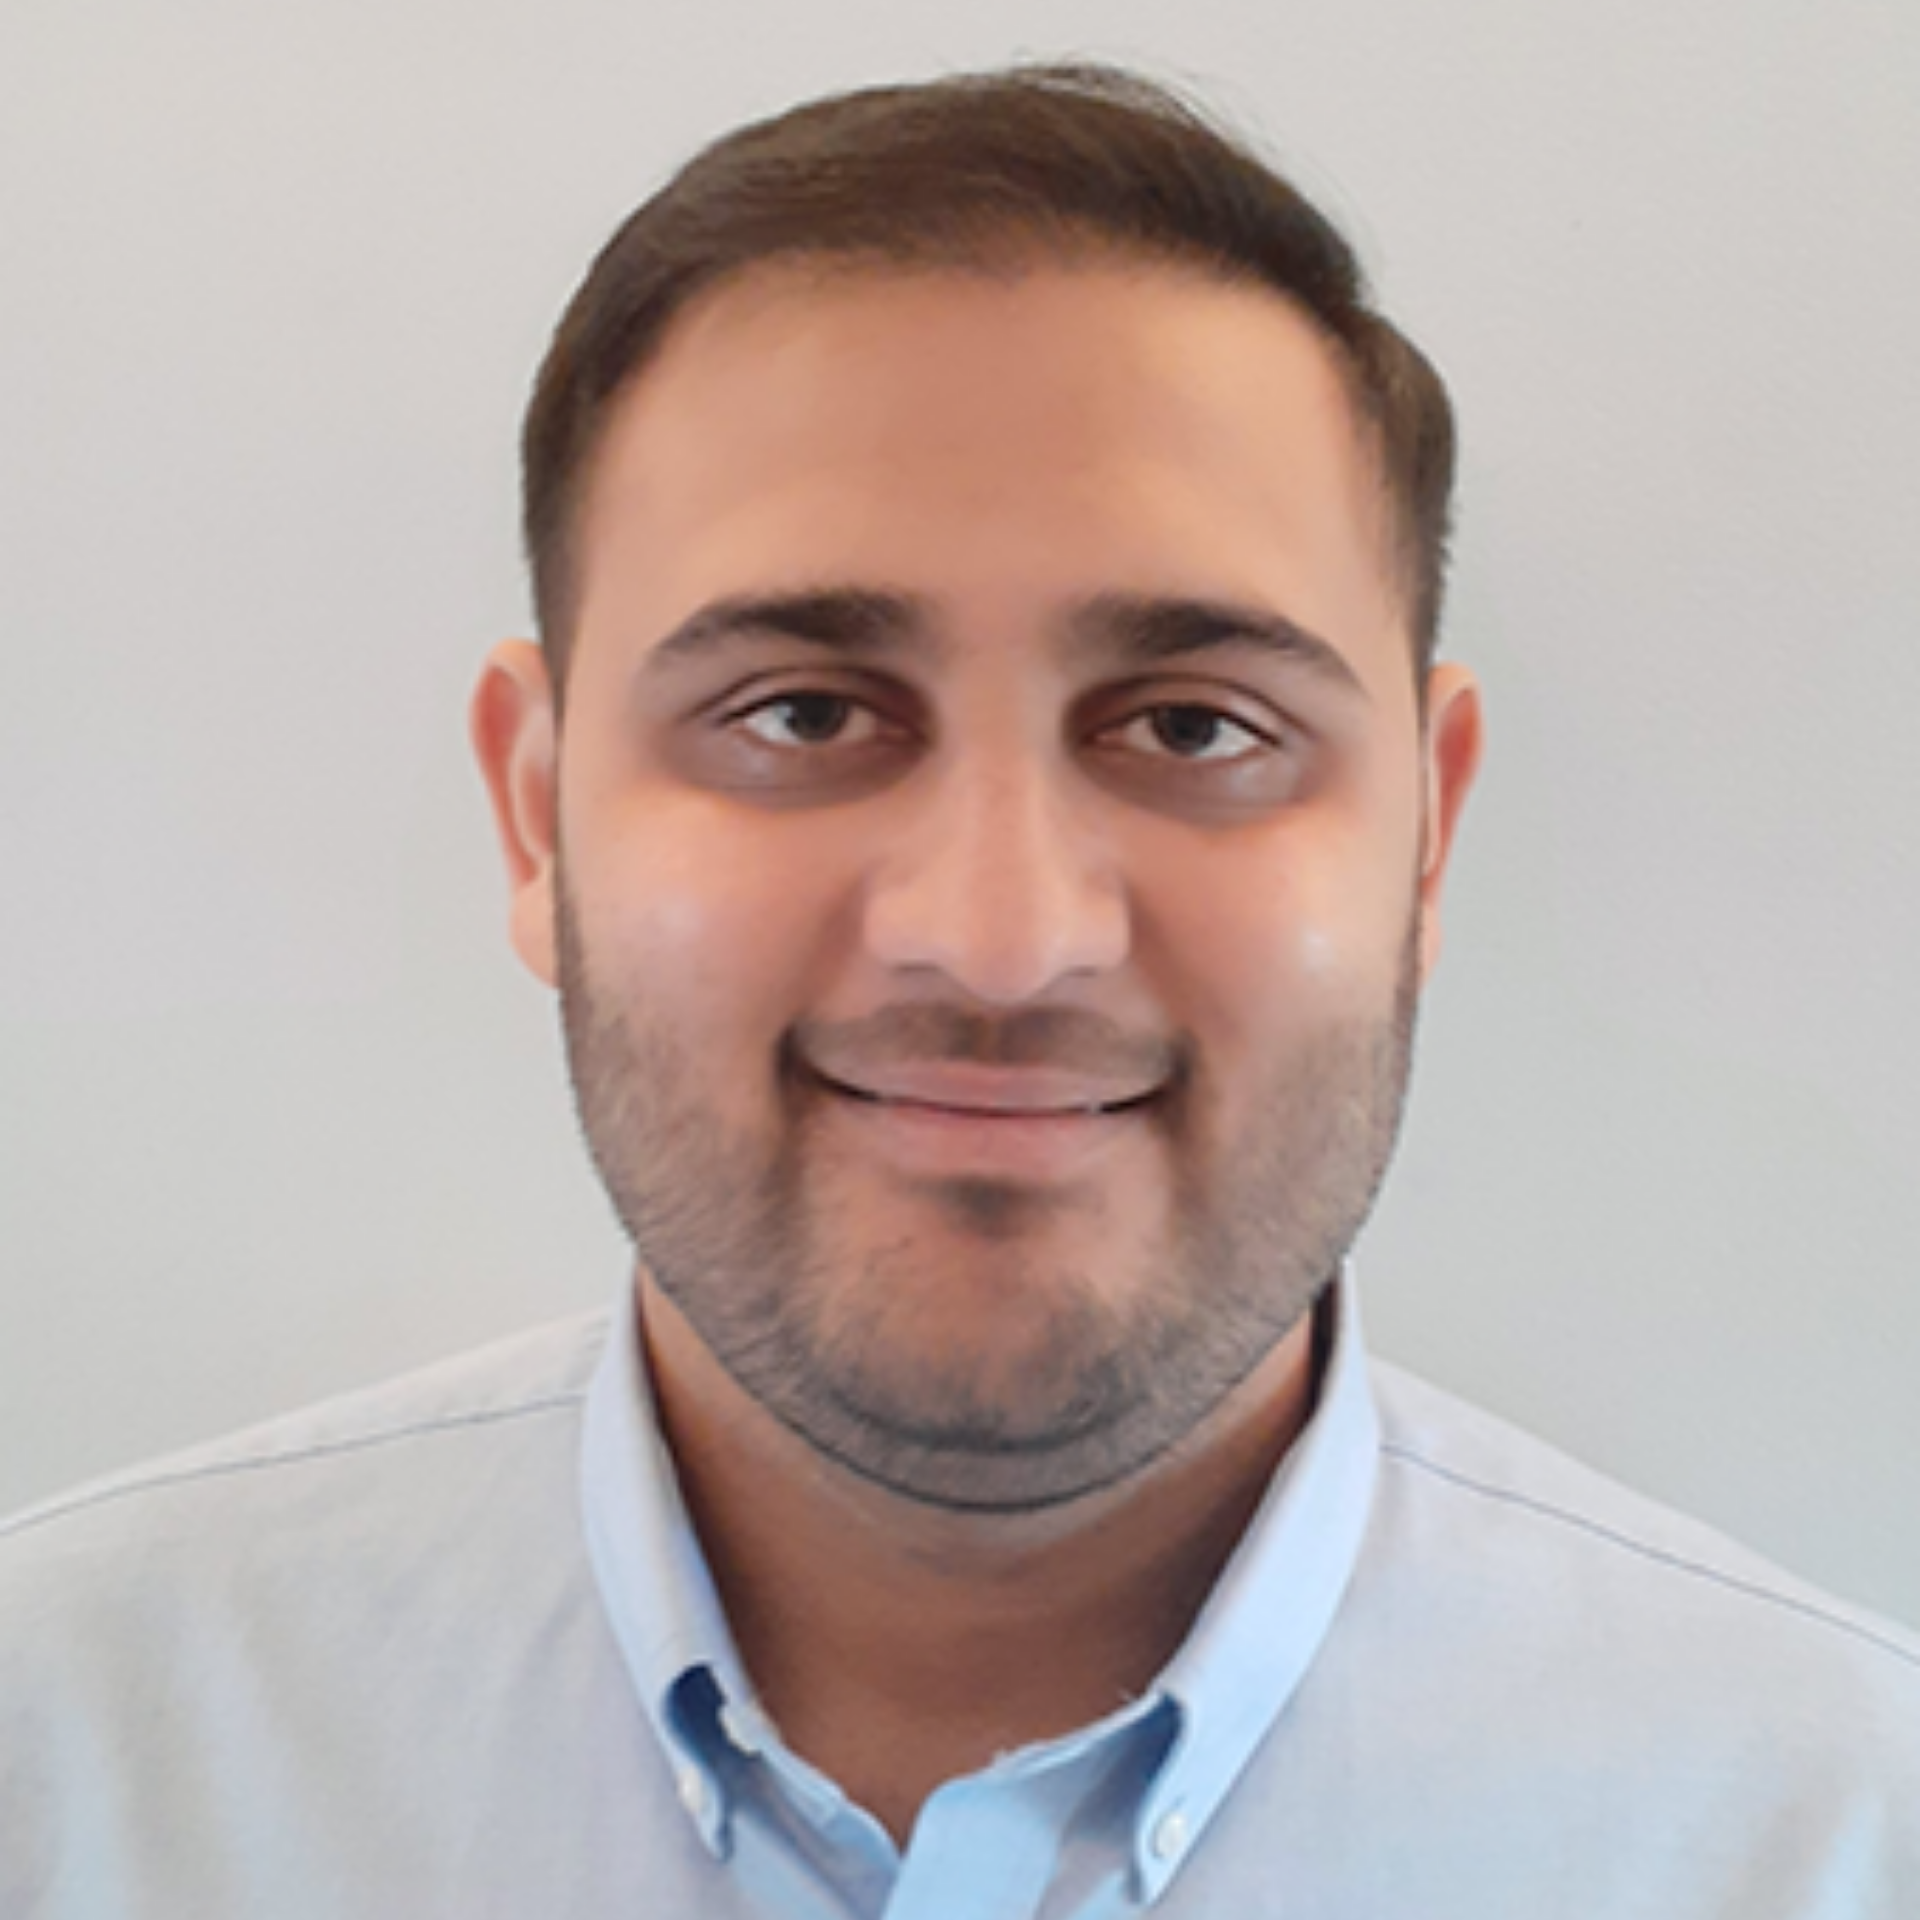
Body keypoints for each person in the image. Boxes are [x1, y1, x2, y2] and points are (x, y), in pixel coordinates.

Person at [2, 63, 1915, 1920]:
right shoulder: (61, 1764)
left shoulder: (1839, 1839)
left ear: (1427, 837)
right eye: (800, 713)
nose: (1002, 938)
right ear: (537, 818)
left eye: (1195, 725)